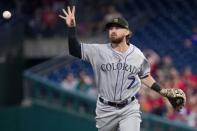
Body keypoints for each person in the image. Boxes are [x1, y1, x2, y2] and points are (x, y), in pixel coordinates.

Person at [59, 6, 186, 131]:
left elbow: (145, 76)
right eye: (110, 29)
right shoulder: (98, 50)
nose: (113, 31)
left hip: (129, 107)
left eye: (117, 28)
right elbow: (74, 49)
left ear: (127, 32)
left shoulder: (137, 55)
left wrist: (162, 91)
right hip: (105, 108)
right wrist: (71, 28)